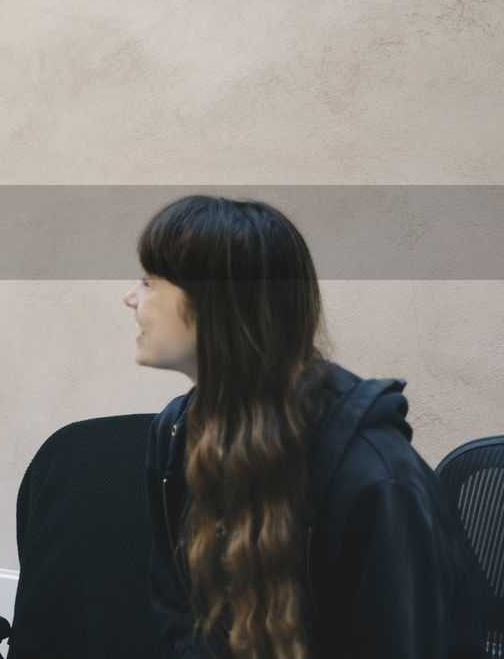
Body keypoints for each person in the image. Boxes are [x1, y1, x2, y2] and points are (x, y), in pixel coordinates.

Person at [126, 195, 485, 659]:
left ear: (218, 303)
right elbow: (179, 605)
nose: (130, 297)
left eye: (150, 282)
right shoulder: (176, 432)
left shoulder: (377, 479)